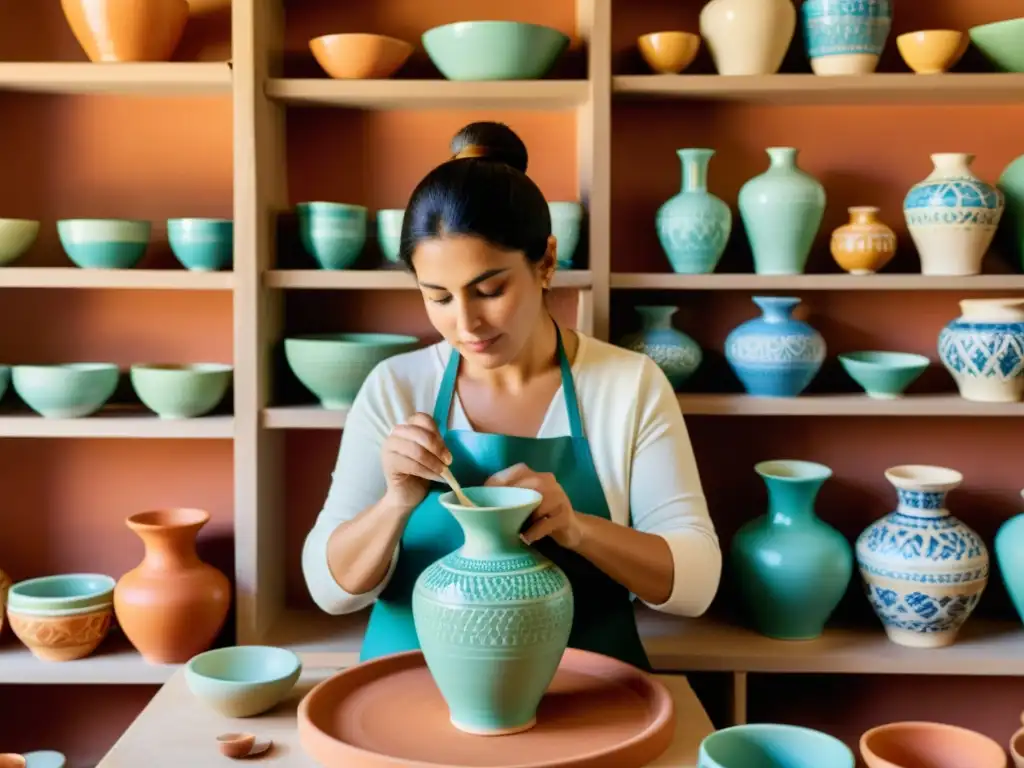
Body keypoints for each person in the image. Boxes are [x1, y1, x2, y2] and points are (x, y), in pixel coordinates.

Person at [301, 121, 722, 671]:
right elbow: (330, 591)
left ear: (545, 261)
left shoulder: (627, 385)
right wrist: (396, 501)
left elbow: (696, 583)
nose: (466, 323)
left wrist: (576, 529)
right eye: (438, 297)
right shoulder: (398, 387)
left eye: (490, 290)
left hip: (585, 693)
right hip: (411, 686)